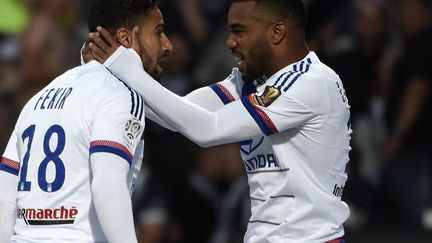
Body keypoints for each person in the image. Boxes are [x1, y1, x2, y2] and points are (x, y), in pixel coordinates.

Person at [87, 0, 351, 242]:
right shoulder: (251, 82)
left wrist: (127, 69)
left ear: (276, 32)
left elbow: (209, 130)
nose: (229, 42)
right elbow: (179, 112)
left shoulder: (311, 83)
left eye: (239, 31)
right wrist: (112, 71)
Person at [0, 0, 173, 242]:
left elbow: (5, 197)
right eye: (159, 32)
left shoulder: (37, 99)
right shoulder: (120, 94)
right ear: (127, 38)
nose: (168, 45)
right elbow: (107, 186)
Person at [383, 0, 432, 229]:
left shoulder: (424, 43)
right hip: (414, 140)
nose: (406, 17)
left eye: (411, 12)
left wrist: (397, 135)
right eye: (403, 12)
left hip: (416, 141)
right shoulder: (411, 43)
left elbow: (417, 92)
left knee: (414, 203)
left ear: (426, 13)